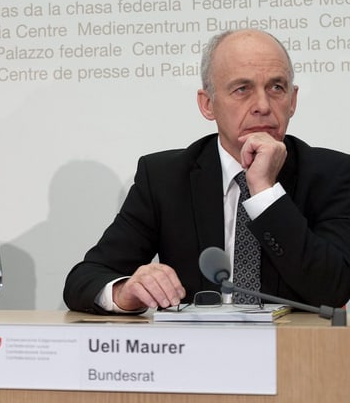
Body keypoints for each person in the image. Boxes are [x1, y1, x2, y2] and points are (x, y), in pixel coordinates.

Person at [63, 28, 350, 313]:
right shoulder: (164, 178)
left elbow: (333, 289)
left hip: (296, 352)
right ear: (208, 104)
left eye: (277, 87)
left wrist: (264, 191)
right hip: (195, 353)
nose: (262, 106)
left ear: (293, 101)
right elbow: (84, 280)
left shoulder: (332, 174)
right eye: (242, 89)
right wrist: (126, 291)